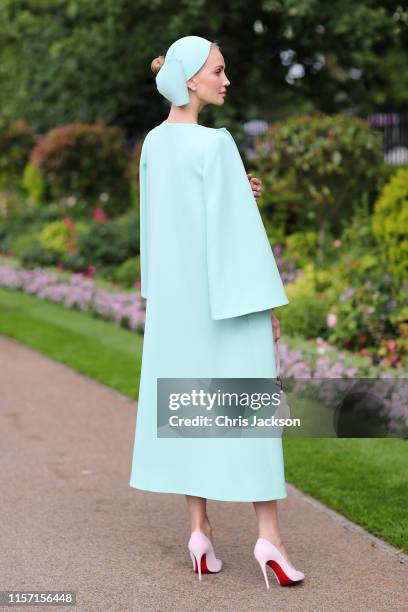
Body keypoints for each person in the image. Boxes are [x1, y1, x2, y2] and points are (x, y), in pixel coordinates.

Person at [129, 35, 304, 589]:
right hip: (226, 303)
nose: (225, 80)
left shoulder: (154, 143)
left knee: (190, 414)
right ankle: (269, 541)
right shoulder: (217, 143)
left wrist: (153, 293)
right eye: (217, 71)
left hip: (176, 306)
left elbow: (159, 224)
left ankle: (199, 532)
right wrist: (267, 306)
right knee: (250, 415)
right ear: (190, 79)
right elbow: (236, 236)